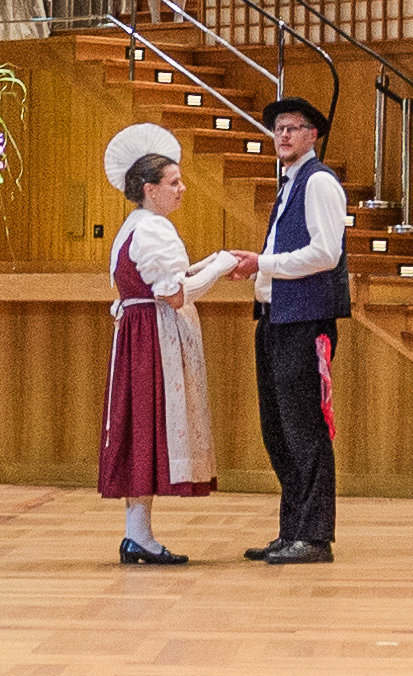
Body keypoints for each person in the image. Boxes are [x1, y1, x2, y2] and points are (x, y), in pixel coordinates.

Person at [96, 127, 254, 563]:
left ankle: (138, 533)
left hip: (137, 331)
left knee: (141, 426)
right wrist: (221, 265)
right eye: (174, 183)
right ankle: (139, 534)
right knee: (150, 424)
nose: (182, 189)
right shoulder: (156, 231)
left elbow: (166, 280)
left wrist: (207, 262)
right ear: (150, 189)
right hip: (153, 337)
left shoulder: (135, 226)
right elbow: (176, 294)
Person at [250, 95, 347, 564]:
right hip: (275, 318)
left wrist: (263, 262)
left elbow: (326, 253)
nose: (283, 135)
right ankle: (292, 529)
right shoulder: (289, 184)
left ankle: (313, 535)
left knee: (305, 428)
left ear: (313, 135)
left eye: (293, 127)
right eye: (278, 128)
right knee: (278, 430)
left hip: (303, 321)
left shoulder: (319, 182)